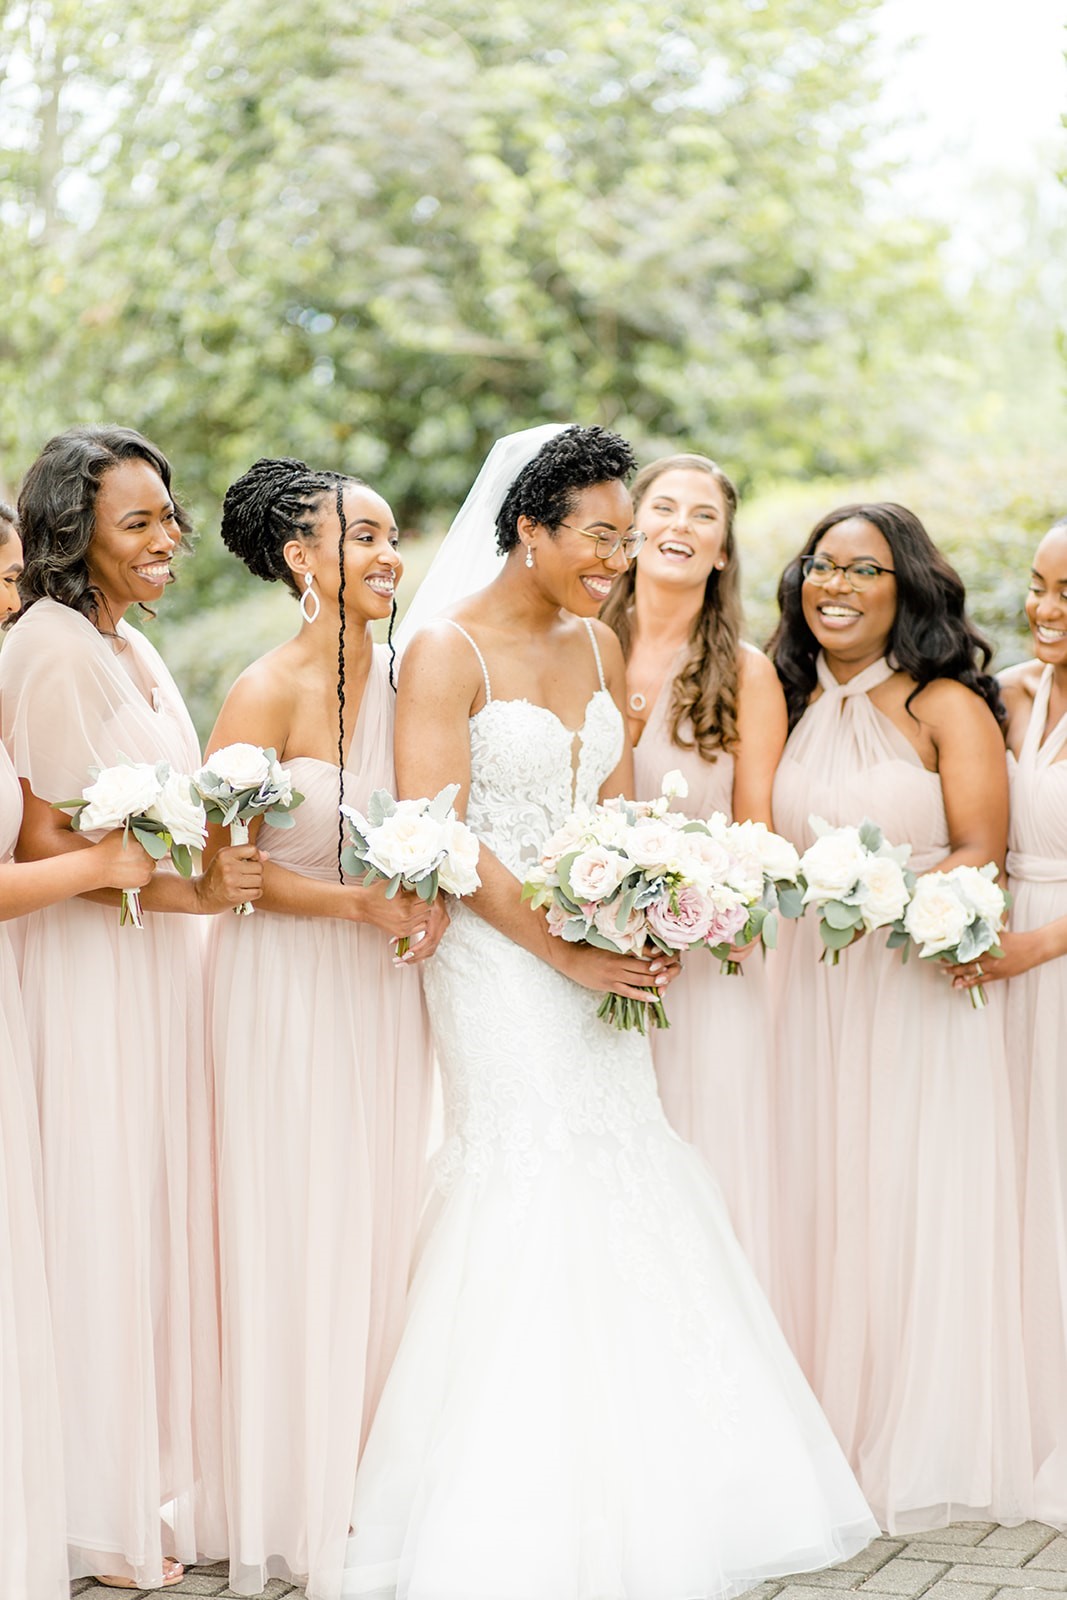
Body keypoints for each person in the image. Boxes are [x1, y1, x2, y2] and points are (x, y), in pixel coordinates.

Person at [341, 425, 877, 1600]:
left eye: (625, 539)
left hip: (596, 951)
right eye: (598, 537)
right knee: (527, 1179)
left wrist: (650, 910)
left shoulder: (596, 640)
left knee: (626, 1168)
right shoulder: (442, 649)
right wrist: (562, 951)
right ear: (527, 528)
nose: (617, 559)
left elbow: (616, 812)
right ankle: (506, 1513)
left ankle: (652, 1486)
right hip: (495, 959)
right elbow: (445, 832)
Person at [0, 427, 261, 1589]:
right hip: (88, 973)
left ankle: (140, 1473)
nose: (167, 540)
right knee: (97, 1216)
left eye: (169, 517)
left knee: (149, 1214)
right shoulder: (50, 648)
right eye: (138, 522)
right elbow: (63, 840)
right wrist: (192, 888)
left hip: (154, 958)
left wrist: (206, 885)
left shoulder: (133, 647)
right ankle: (96, 1511)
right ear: (74, 533)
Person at [768, 501, 1032, 1531]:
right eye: (820, 566)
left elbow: (981, 849)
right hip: (808, 986)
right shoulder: (779, 697)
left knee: (908, 1192)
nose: (833, 586)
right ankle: (821, 1424)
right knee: (820, 1188)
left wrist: (889, 894)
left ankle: (915, 1433)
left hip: (914, 982)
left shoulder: (941, 708)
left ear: (904, 587)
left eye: (862, 570)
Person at [206, 459, 444, 1600]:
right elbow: (222, 875)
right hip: (283, 989)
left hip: (382, 993)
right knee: (295, 1220)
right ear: (303, 558)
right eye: (364, 537)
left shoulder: (412, 679)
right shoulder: (260, 692)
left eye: (393, 535)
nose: (390, 555)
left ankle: (370, 1476)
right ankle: (287, 1488)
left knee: (379, 1217)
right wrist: (357, 901)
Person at [602, 453, 787, 1291]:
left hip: (703, 969)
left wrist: (692, 914)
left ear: (721, 553)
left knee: (703, 1163)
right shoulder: (575, 646)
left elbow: (755, 838)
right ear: (630, 530)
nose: (679, 525)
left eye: (701, 516)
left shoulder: (746, 673)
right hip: (584, 956)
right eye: (663, 508)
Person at [952, 515, 1067, 1522]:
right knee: (1017, 1175)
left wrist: (1028, 947)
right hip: (998, 942)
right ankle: (1021, 1403)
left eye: (1065, 593)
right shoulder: (1013, 696)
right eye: (1036, 586)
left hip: (1051, 951)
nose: (1041, 609)